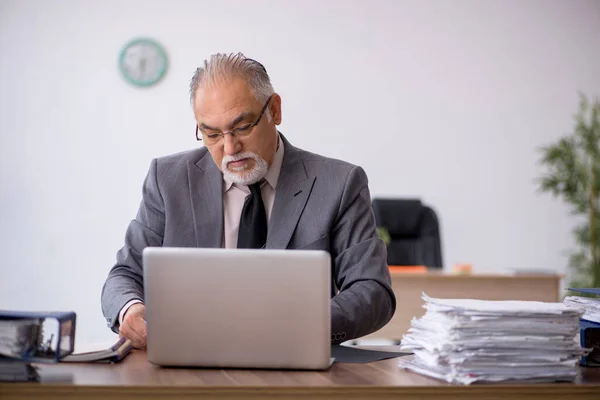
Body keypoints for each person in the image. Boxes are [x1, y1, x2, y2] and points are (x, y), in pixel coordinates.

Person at [101, 53, 396, 349]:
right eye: (212, 133)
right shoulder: (167, 180)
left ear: (275, 110)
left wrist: (297, 326)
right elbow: (125, 274)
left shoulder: (339, 184)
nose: (230, 147)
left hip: (296, 362)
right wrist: (131, 308)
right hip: (187, 365)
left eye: (242, 127)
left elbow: (372, 292)